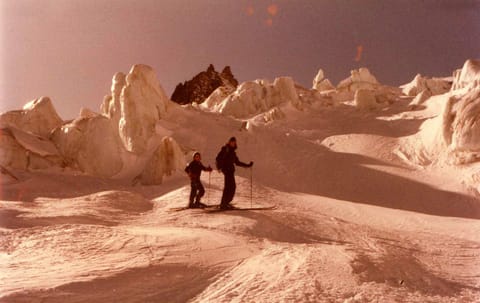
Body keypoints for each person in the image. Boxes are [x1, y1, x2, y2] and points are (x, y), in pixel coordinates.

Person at [216, 137, 253, 210]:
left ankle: (226, 203)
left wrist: (248, 165)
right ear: (229, 142)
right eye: (232, 142)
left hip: (231, 171)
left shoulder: (233, 153)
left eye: (234, 142)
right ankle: (223, 204)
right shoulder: (225, 149)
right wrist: (219, 167)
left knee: (232, 187)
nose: (233, 143)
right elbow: (218, 158)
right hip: (226, 170)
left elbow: (237, 162)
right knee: (228, 187)